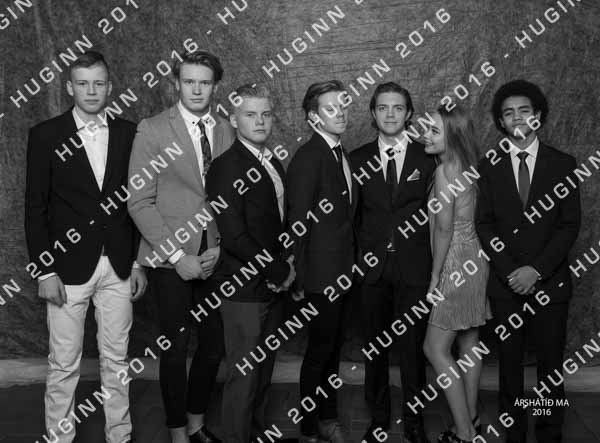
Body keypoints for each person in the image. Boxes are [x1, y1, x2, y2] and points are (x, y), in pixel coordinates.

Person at [24, 51, 145, 443]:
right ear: (69, 87)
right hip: (66, 268)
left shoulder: (129, 133)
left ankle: (119, 435)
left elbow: (137, 202)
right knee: (63, 363)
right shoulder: (46, 135)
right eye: (82, 83)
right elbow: (35, 208)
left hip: (120, 265)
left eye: (98, 83)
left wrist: (138, 263)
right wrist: (45, 270)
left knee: (117, 360)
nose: (91, 91)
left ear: (109, 87)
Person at [127, 51, 235, 443]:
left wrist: (221, 246)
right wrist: (176, 257)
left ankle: (195, 423)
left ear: (215, 86)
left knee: (214, 345)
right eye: (189, 81)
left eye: (204, 82)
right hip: (169, 258)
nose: (196, 89)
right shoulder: (152, 129)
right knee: (174, 347)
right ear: (177, 83)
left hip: (213, 254)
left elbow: (230, 195)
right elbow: (139, 201)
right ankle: (176, 432)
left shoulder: (226, 129)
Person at [475, 80, 581, 443]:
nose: (517, 118)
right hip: (506, 286)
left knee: (550, 368)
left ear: (538, 115)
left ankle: (548, 432)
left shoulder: (563, 164)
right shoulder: (488, 166)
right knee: (510, 368)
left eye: (524, 111)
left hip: (550, 284)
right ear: (500, 122)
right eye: (508, 113)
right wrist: (511, 272)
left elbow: (569, 225)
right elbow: (484, 224)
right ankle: (515, 433)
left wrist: (535, 271)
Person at [206, 84, 295, 443]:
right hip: (242, 288)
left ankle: (254, 434)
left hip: (272, 285)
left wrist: (285, 265)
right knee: (243, 376)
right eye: (250, 114)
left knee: (263, 372)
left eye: (265, 114)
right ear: (233, 119)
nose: (259, 121)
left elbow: (277, 222)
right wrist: (279, 270)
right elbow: (234, 236)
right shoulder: (225, 167)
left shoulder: (272, 161)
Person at [350, 82, 436, 443]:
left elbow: (440, 216)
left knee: (413, 350)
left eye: (398, 108)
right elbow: (351, 219)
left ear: (409, 114)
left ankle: (414, 422)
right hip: (372, 270)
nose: (390, 114)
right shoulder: (356, 159)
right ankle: (379, 419)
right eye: (383, 107)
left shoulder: (427, 156)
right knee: (375, 350)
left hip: (414, 268)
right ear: (373, 113)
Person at [286, 80, 358, 443]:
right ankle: (309, 430)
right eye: (331, 108)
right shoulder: (308, 157)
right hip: (319, 276)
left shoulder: (339, 153)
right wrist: (298, 277)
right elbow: (297, 222)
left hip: (342, 273)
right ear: (313, 117)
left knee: (331, 352)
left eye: (343, 105)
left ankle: (328, 419)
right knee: (318, 353)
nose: (340, 113)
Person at [421, 105, 492, 443]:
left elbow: (444, 228)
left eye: (435, 131)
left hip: (455, 260)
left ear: (453, 136)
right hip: (477, 258)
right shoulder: (470, 167)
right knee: (469, 342)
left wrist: (436, 275)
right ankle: (472, 419)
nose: (425, 135)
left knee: (434, 349)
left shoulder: (444, 170)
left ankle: (464, 433)